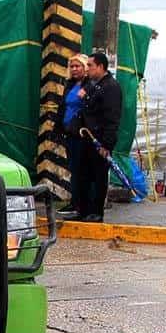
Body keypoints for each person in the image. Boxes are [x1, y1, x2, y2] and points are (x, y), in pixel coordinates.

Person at [72, 52, 122, 223]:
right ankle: (83, 210)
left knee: (98, 177)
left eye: (90, 66)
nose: (88, 69)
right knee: (84, 175)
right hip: (87, 137)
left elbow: (112, 117)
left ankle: (96, 212)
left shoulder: (111, 87)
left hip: (99, 139)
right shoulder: (95, 85)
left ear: (100, 66)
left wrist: (106, 144)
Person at [58, 53, 88, 215]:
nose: (75, 69)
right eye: (72, 66)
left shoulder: (88, 85)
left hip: (81, 133)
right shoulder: (70, 84)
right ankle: (74, 201)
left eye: (78, 66)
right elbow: (64, 106)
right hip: (68, 131)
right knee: (73, 168)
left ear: (85, 68)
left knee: (80, 169)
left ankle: (81, 203)